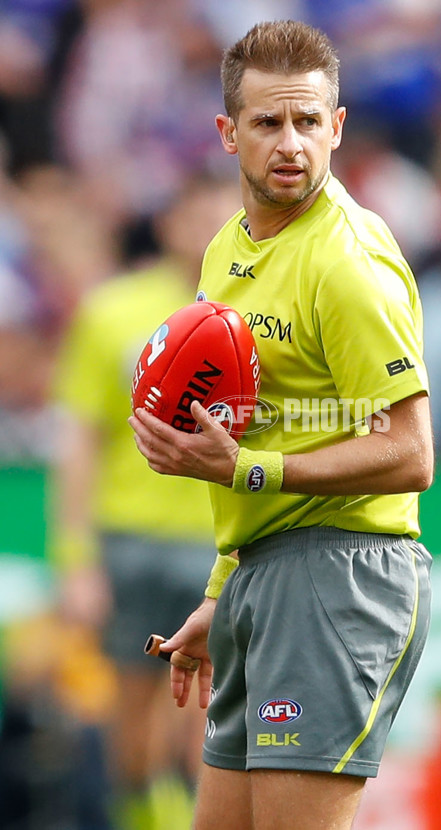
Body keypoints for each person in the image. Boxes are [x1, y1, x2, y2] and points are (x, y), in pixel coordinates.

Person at [129, 20, 434, 830]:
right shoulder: (225, 251)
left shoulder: (347, 262)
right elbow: (262, 430)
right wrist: (224, 591)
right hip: (262, 575)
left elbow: (411, 453)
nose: (291, 143)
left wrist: (247, 472)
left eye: (308, 122)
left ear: (337, 127)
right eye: (268, 123)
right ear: (229, 135)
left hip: (341, 574)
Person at [50, 172, 241, 829]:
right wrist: (76, 557)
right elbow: (78, 438)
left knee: (204, 707)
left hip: (216, 541)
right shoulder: (111, 310)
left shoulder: (258, 313)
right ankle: (141, 814)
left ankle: (179, 816)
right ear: (169, 222)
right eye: (196, 209)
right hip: (128, 536)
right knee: (131, 708)